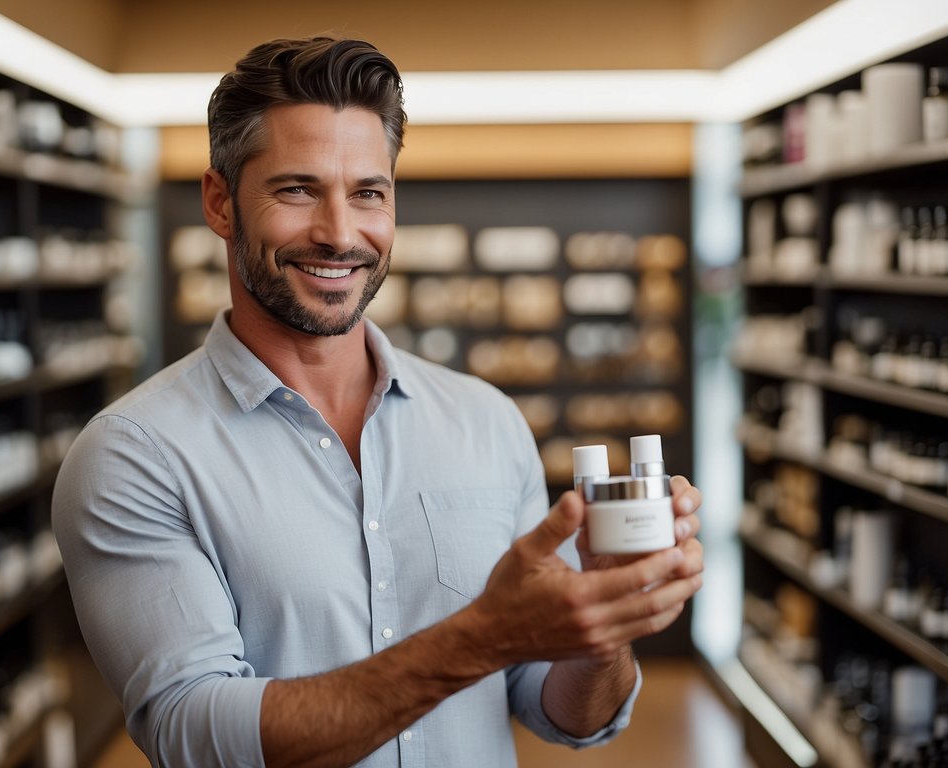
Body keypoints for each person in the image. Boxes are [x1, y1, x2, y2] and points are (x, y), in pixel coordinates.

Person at [52, 35, 704, 768]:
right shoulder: (134, 454)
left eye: (368, 192)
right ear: (220, 202)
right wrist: (482, 636)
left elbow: (555, 708)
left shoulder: (484, 421)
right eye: (297, 189)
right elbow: (195, 731)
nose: (339, 234)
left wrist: (602, 622)